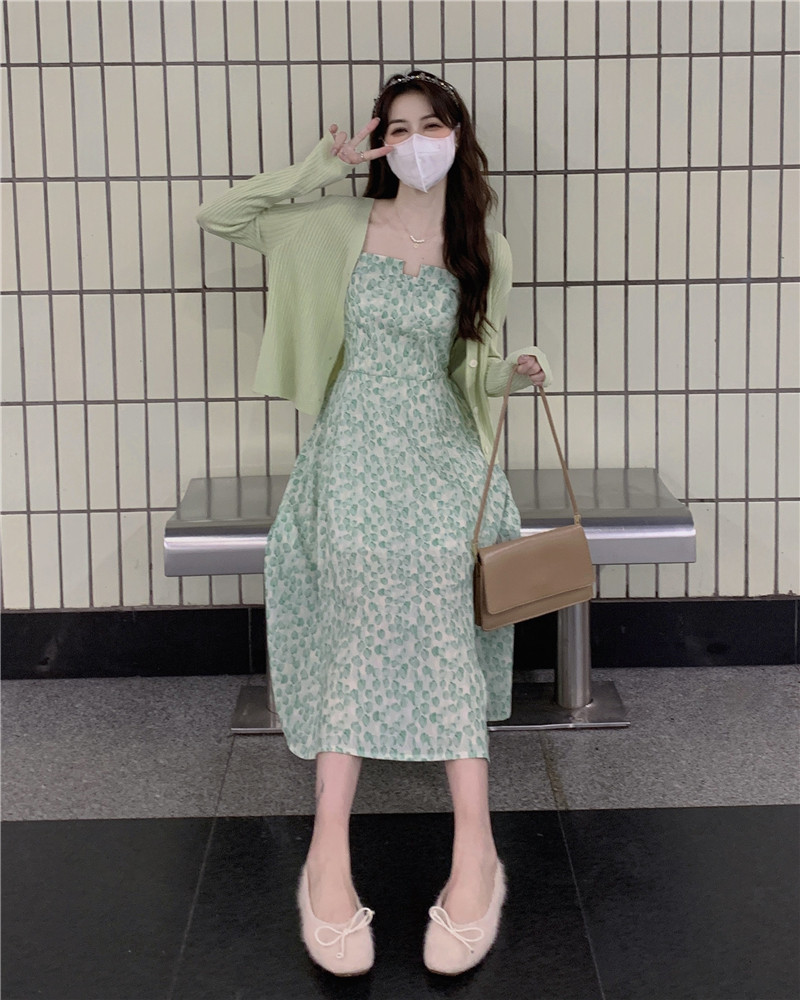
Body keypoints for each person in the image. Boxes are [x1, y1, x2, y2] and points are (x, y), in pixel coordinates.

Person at [197, 70, 552, 977]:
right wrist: (322, 166)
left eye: (431, 125)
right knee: (355, 602)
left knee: (443, 599)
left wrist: (512, 374)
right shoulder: (341, 224)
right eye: (398, 128)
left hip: (441, 448)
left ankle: (477, 854)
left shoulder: (484, 246)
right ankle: (327, 858)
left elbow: (469, 370)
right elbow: (223, 217)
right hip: (354, 440)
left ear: (458, 136)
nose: (415, 141)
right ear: (380, 142)